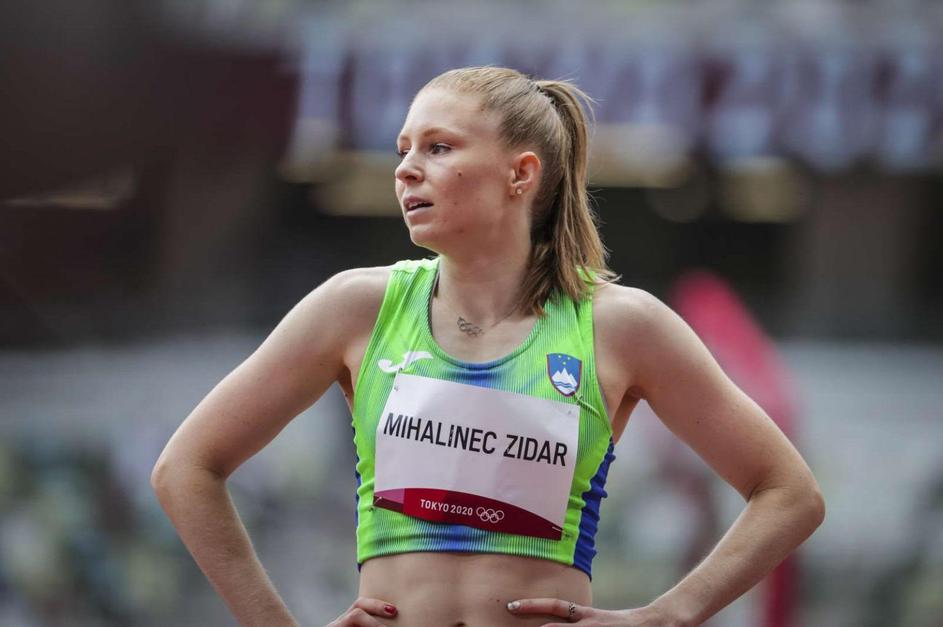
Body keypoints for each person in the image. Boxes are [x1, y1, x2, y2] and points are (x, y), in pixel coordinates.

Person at [150, 66, 825, 627]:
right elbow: (186, 468)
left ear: (520, 173)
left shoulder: (620, 325)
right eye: (403, 150)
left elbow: (789, 494)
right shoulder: (355, 307)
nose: (406, 170)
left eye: (438, 148)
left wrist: (669, 614)